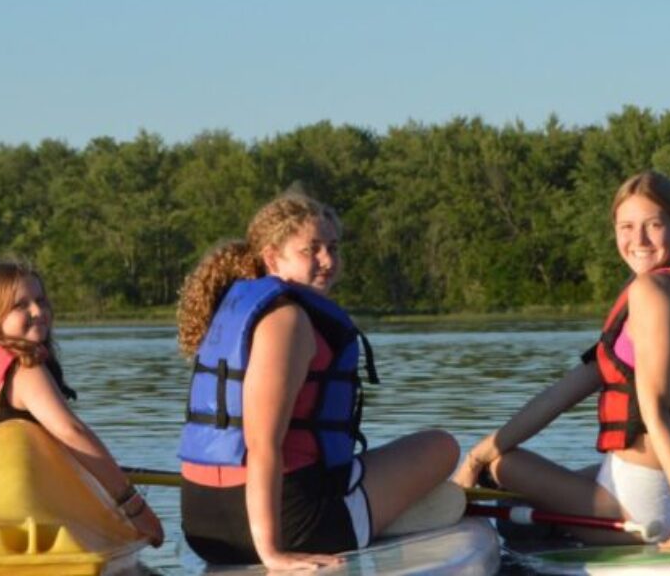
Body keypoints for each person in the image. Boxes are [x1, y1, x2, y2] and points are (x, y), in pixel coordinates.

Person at [176, 192, 460, 570]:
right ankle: (369, 520)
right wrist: (272, 555)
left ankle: (365, 511)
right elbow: (262, 445)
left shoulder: (236, 311)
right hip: (288, 525)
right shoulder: (287, 321)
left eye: (333, 248)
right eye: (311, 250)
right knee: (441, 447)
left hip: (204, 526)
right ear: (272, 257)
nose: (327, 260)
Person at [454, 171, 670, 553]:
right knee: (518, 471)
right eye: (627, 227)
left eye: (653, 225)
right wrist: (478, 451)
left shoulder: (649, 291)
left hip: (649, 508)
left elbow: (654, 410)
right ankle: (541, 525)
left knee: (502, 467)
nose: (638, 240)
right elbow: (564, 392)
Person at [0, 260, 164, 546]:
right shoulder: (23, 367)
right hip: (14, 516)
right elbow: (72, 433)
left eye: (41, 300)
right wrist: (135, 508)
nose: (38, 311)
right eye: (21, 305)